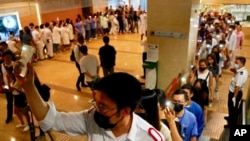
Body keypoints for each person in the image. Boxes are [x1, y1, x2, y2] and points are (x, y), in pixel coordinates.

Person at [14, 64, 165, 140]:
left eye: (103, 107)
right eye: (96, 103)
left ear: (125, 111)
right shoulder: (91, 119)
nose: (96, 110)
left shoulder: (150, 137)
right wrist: (29, 87)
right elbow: (52, 120)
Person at [224, 56, 248, 128]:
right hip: (233, 92)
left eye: (237, 63)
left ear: (242, 63)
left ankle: (232, 123)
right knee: (230, 106)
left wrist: (234, 97)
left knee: (233, 109)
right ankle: (230, 117)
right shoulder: (239, 70)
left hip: (235, 93)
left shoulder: (242, 74)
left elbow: (237, 86)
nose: (235, 64)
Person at [1, 49, 15, 124]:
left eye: (9, 56)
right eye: (6, 57)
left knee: (18, 104)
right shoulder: (2, 65)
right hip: (7, 87)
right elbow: (1, 76)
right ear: (3, 57)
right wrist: (1, 85)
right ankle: (9, 116)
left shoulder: (15, 64)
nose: (7, 58)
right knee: (9, 102)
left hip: (15, 87)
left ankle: (22, 118)